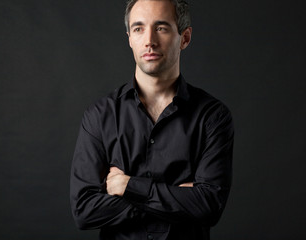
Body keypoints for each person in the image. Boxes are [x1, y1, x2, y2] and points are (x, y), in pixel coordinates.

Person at [70, 0, 234, 239]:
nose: (149, 40)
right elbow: (84, 212)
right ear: (129, 38)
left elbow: (209, 206)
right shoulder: (100, 115)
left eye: (161, 28)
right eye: (138, 28)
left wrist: (128, 187)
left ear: (185, 38)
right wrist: (176, 197)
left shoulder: (212, 116)